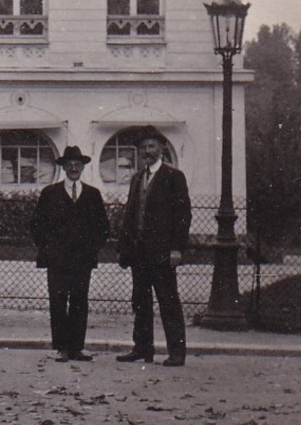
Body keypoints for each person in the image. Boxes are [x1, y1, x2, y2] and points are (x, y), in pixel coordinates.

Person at [116, 130, 192, 366]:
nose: (147, 152)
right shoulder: (138, 178)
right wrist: (124, 247)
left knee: (168, 301)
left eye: (151, 146)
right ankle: (142, 348)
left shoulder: (173, 177)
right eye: (143, 148)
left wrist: (177, 248)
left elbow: (182, 216)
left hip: (162, 253)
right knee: (140, 301)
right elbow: (131, 214)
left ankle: (177, 352)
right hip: (139, 252)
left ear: (161, 148)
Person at [30, 145, 110, 362]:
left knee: (79, 301)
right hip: (57, 259)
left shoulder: (92, 195)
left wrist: (90, 249)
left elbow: (103, 227)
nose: (74, 167)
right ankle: (62, 347)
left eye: (78, 164)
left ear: (83, 167)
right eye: (70, 164)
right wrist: (47, 249)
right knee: (57, 301)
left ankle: (76, 347)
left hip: (82, 260)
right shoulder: (50, 193)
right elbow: (37, 225)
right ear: (63, 167)